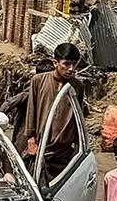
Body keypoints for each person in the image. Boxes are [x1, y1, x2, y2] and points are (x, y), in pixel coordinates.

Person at [18, 43, 85, 179]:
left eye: (74, 64)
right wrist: (31, 141)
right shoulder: (38, 81)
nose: (71, 69)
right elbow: (31, 112)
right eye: (66, 64)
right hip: (41, 149)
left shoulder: (76, 87)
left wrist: (78, 148)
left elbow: (78, 118)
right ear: (55, 63)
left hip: (63, 152)